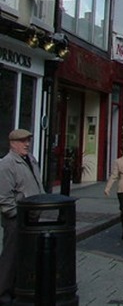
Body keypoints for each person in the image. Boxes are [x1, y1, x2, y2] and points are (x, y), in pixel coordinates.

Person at [0, 129, 44, 302]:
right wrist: (14, 214)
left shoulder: (30, 160)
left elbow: (36, 182)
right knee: (11, 255)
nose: (27, 144)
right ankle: (3, 292)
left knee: (26, 254)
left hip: (32, 215)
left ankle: (20, 287)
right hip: (16, 218)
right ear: (13, 143)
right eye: (23, 141)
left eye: (28, 140)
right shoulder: (7, 164)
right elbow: (4, 197)